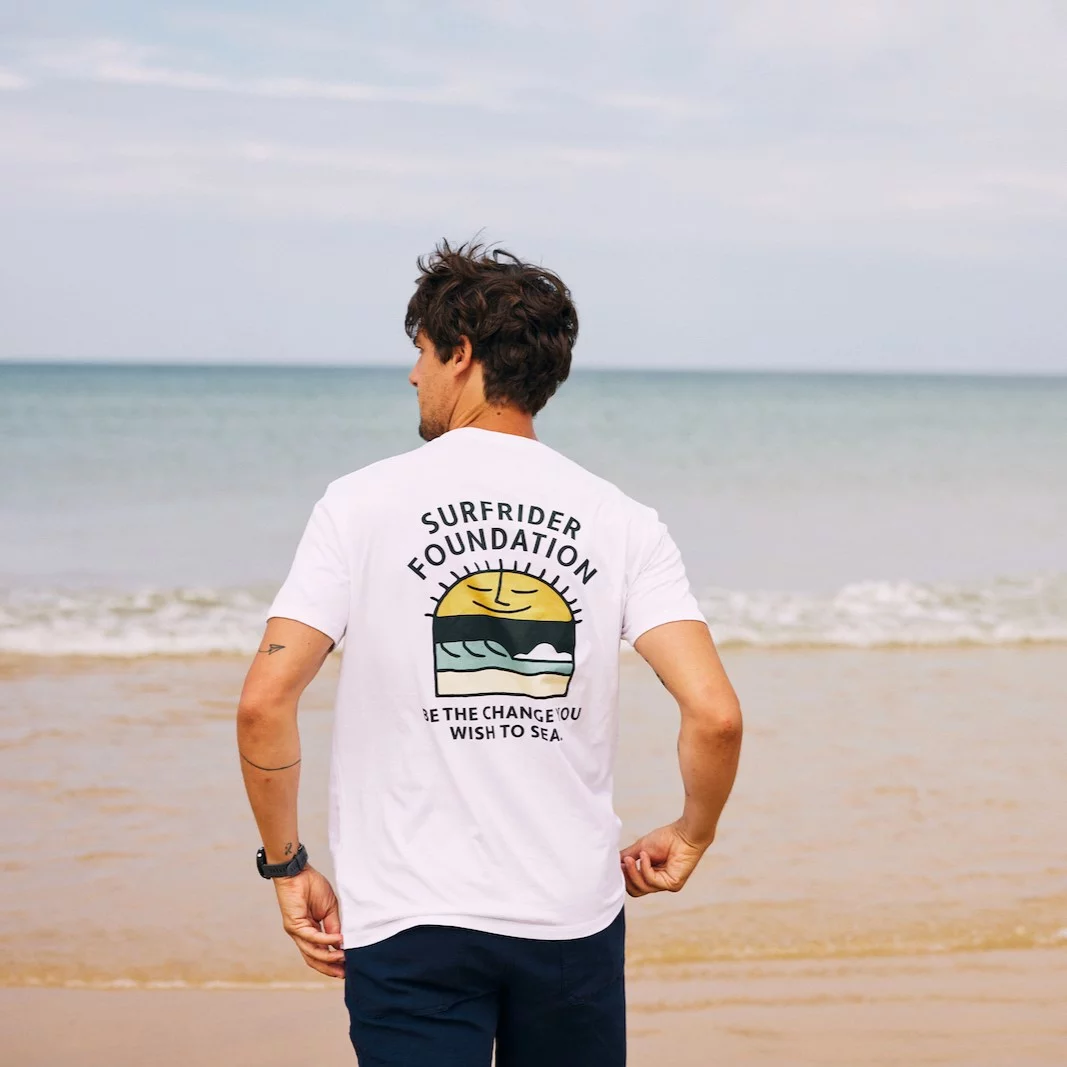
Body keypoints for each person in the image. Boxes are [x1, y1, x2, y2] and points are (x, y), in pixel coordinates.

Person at [236, 240, 743, 1066]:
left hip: (409, 913)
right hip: (570, 918)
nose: (412, 375)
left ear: (461, 354)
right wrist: (692, 832)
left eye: (421, 351)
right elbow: (715, 714)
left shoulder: (359, 504)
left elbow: (264, 701)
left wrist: (287, 866)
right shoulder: (620, 519)